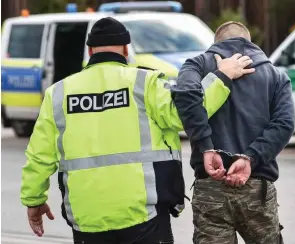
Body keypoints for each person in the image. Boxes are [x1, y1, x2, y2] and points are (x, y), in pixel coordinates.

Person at [20, 17, 255, 244]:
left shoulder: (58, 93)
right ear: (125, 49)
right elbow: (187, 114)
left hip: (86, 217)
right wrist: (222, 77)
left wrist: (34, 200)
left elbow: (39, 157)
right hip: (143, 213)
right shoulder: (145, 84)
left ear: (90, 52)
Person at [172, 21, 295, 244]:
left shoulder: (197, 65)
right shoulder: (276, 75)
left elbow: (185, 94)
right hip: (256, 187)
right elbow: (284, 124)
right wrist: (250, 157)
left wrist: (205, 145)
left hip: (211, 186)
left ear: (216, 45)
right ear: (249, 44)